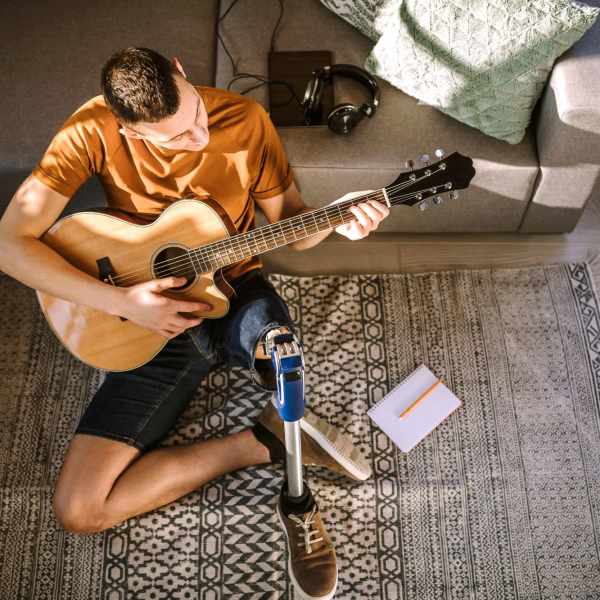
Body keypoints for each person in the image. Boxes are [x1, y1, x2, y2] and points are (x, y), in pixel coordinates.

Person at [0, 47, 389, 600]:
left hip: (235, 290)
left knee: (284, 362)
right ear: (127, 130)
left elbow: (293, 227)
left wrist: (338, 219)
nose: (199, 138)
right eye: (176, 137)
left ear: (181, 71)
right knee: (79, 509)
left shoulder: (246, 122)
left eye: (196, 117)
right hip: (143, 325)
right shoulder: (89, 131)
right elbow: (9, 245)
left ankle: (296, 494)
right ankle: (258, 444)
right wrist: (129, 304)